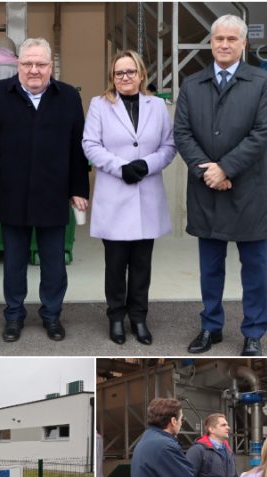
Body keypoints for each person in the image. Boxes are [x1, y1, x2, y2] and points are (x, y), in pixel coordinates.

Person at [174, 14, 267, 357]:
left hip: (249, 190)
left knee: (255, 268)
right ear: (210, 42)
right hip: (207, 189)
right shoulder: (192, 84)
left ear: (244, 44)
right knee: (211, 267)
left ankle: (253, 332)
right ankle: (210, 327)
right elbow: (183, 133)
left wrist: (226, 168)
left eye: (232, 39)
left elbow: (263, 134)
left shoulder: (262, 82)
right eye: (218, 38)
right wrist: (208, 170)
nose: (224, 44)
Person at [0, 37, 90, 343]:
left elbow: (78, 147)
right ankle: (14, 316)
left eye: (41, 64)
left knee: (53, 263)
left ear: (51, 66)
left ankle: (52, 316)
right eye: (27, 64)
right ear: (18, 65)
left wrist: (79, 188)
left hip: (54, 192)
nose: (34, 70)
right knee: (14, 262)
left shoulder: (67, 97)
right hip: (12, 192)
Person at [83, 50, 176, 346]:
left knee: (141, 264)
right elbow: (90, 144)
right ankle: (116, 317)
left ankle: (138, 317)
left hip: (147, 194)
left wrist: (147, 165)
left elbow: (169, 145)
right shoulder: (100, 105)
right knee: (115, 264)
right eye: (119, 73)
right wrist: (120, 167)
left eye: (130, 72)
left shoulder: (158, 106)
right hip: (115, 193)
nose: (125, 77)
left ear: (141, 74)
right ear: (112, 77)